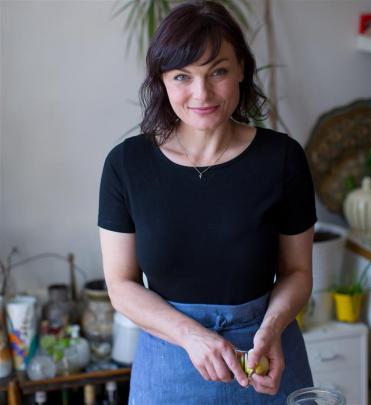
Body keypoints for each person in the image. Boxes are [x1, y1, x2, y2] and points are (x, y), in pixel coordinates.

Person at [98, 1, 317, 403]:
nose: (202, 93)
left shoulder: (282, 158)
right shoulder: (126, 164)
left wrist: (270, 328)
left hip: (265, 357)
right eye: (183, 76)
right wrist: (190, 336)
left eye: (218, 71)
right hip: (170, 358)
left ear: (241, 71)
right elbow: (121, 285)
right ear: (162, 81)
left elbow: (298, 272)